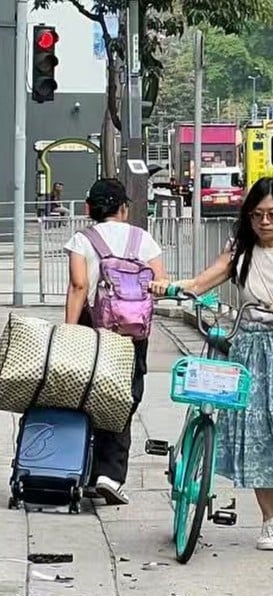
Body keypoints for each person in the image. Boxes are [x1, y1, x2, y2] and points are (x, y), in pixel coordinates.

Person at [149, 178, 273, 552]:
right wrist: (168, 286)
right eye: (257, 215)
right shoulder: (239, 251)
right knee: (257, 433)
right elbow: (201, 283)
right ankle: (269, 521)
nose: (264, 222)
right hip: (251, 346)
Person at [63, 178, 167, 506]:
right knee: (124, 399)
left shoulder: (82, 239)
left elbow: (79, 286)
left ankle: (87, 470)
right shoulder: (144, 239)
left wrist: (68, 331)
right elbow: (158, 284)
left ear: (88, 209)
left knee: (88, 396)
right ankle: (110, 475)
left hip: (95, 330)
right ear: (124, 208)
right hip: (134, 333)